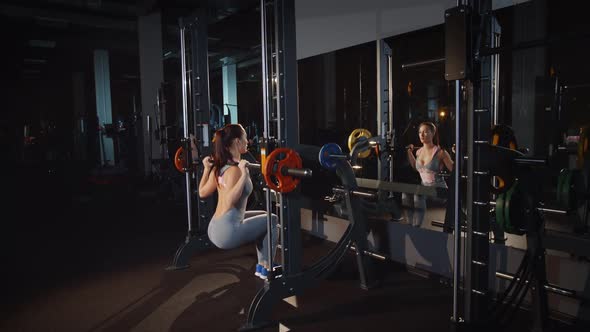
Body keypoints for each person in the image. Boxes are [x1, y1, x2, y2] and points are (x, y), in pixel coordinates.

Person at [198, 124, 278, 279]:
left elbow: (202, 192)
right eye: (244, 137)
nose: (247, 141)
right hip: (227, 233)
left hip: (215, 227)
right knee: (273, 220)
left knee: (265, 216)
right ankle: (268, 267)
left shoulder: (220, 167)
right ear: (236, 142)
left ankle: (262, 266)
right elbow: (229, 201)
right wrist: (243, 174)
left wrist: (207, 169)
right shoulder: (235, 170)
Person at [403, 121, 454, 227]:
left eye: (425, 132)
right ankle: (408, 225)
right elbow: (417, 168)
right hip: (425, 189)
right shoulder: (418, 152)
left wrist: (457, 153)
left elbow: (454, 169)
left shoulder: (441, 153)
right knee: (406, 192)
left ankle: (416, 227)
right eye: (420, 132)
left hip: (439, 189)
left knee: (418, 194)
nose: (421, 135)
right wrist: (408, 152)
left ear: (433, 133)